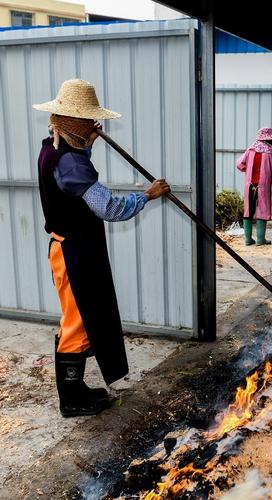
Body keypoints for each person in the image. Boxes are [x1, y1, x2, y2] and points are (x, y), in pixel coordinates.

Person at [33, 79, 170, 417]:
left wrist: (88, 143)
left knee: (82, 317)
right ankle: (71, 399)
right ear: (72, 122)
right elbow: (108, 207)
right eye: (88, 122)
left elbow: (75, 165)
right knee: (78, 322)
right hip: (73, 253)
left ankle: (76, 388)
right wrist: (147, 196)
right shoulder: (69, 164)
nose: (95, 126)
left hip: (76, 248)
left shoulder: (53, 147)